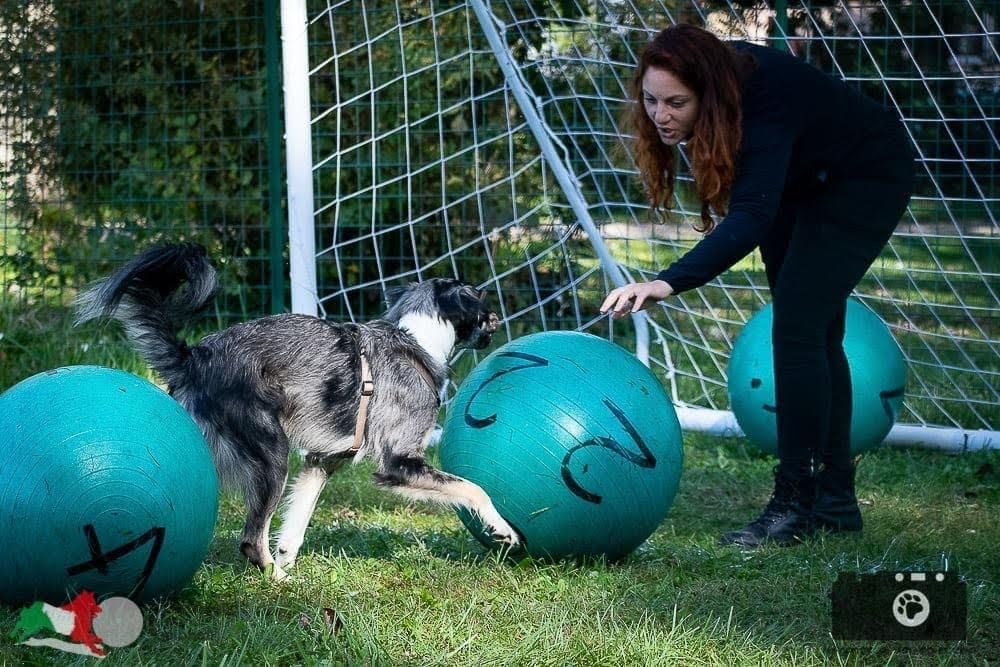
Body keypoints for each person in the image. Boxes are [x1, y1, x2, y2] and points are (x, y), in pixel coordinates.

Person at [601, 24, 914, 548]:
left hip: (864, 177)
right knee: (812, 331)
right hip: (804, 179)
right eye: (651, 100)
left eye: (676, 102)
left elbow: (749, 218)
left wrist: (666, 282)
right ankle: (834, 503)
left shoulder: (761, 98)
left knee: (796, 330)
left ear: (709, 93)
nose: (661, 115)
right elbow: (761, 203)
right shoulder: (718, 103)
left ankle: (795, 505)